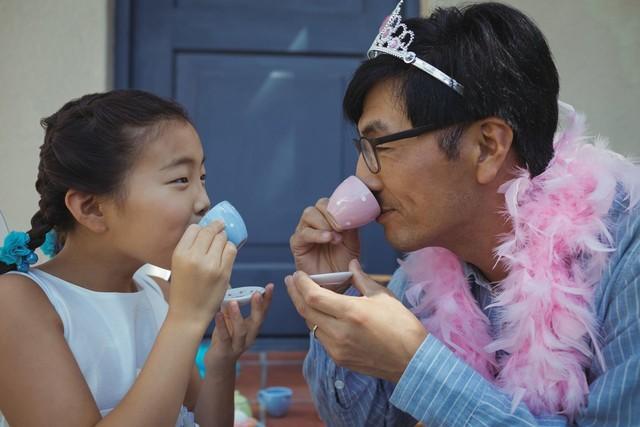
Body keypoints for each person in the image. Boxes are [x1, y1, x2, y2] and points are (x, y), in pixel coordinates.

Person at [286, 1, 640, 426]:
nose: (364, 177)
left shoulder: (627, 256)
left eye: (381, 145)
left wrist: (416, 366)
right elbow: (365, 422)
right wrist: (336, 291)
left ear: (487, 147)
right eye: (362, 148)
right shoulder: (432, 264)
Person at [0, 90, 274, 426]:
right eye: (180, 180)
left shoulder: (159, 291)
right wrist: (186, 319)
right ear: (93, 209)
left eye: (201, 178)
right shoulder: (18, 302)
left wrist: (221, 362)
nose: (204, 201)